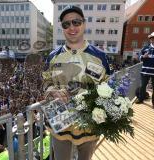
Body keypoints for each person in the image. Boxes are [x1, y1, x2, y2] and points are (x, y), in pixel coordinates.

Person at [42, 6, 110, 160]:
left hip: (89, 125)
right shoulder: (53, 56)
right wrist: (53, 91)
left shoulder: (100, 56)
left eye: (76, 22)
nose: (71, 27)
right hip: (60, 122)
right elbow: (45, 82)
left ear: (84, 24)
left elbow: (110, 87)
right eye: (66, 24)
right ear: (62, 28)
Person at [136, 32, 154, 107]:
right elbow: (139, 57)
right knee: (143, 85)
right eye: (152, 38)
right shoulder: (145, 47)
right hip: (145, 70)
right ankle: (141, 99)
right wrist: (143, 56)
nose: (153, 40)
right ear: (150, 40)